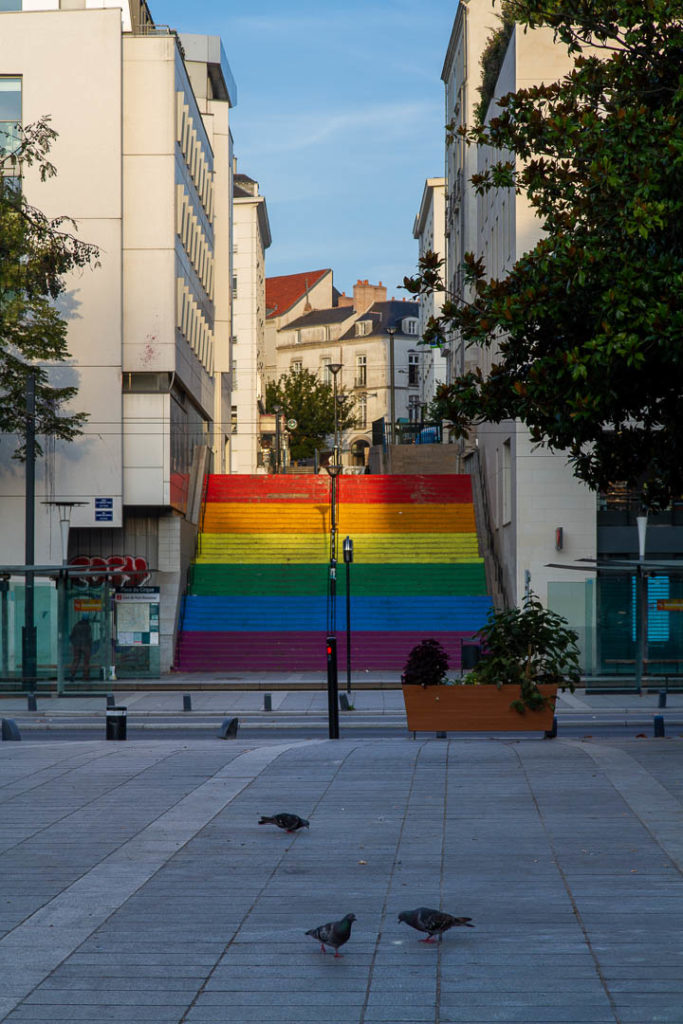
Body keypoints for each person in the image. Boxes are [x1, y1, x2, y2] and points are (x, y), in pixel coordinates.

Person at [68, 616, 92, 681]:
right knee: (86, 662)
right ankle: (86, 676)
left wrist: (74, 644)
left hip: (76, 646)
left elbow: (71, 636)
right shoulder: (88, 627)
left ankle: (72, 675)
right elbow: (89, 637)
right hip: (85, 645)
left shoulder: (76, 626)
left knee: (76, 660)